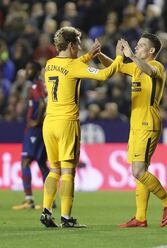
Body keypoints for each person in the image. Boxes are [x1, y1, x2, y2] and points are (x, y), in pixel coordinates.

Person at [40, 26, 123, 228]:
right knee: (68, 172)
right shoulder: (73, 66)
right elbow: (104, 75)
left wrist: (87, 56)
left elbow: (71, 67)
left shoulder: (50, 64)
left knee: (54, 170)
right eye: (77, 43)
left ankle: (46, 210)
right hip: (66, 123)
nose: (79, 47)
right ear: (70, 45)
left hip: (49, 122)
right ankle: (66, 218)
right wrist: (119, 58)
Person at [97, 33, 167, 228]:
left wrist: (130, 55)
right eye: (137, 44)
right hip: (135, 125)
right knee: (141, 171)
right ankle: (140, 217)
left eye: (141, 45)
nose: (137, 47)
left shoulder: (157, 66)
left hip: (148, 124)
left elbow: (150, 71)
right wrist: (99, 54)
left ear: (151, 51)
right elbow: (114, 66)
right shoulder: (135, 68)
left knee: (138, 171)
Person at [12, 61, 49, 210]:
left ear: (36, 71)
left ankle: (28, 199)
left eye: (29, 69)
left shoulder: (36, 86)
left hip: (35, 130)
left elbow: (41, 104)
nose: (27, 72)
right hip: (41, 129)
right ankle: (50, 201)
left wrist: (36, 121)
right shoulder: (39, 85)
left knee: (25, 162)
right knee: (41, 163)